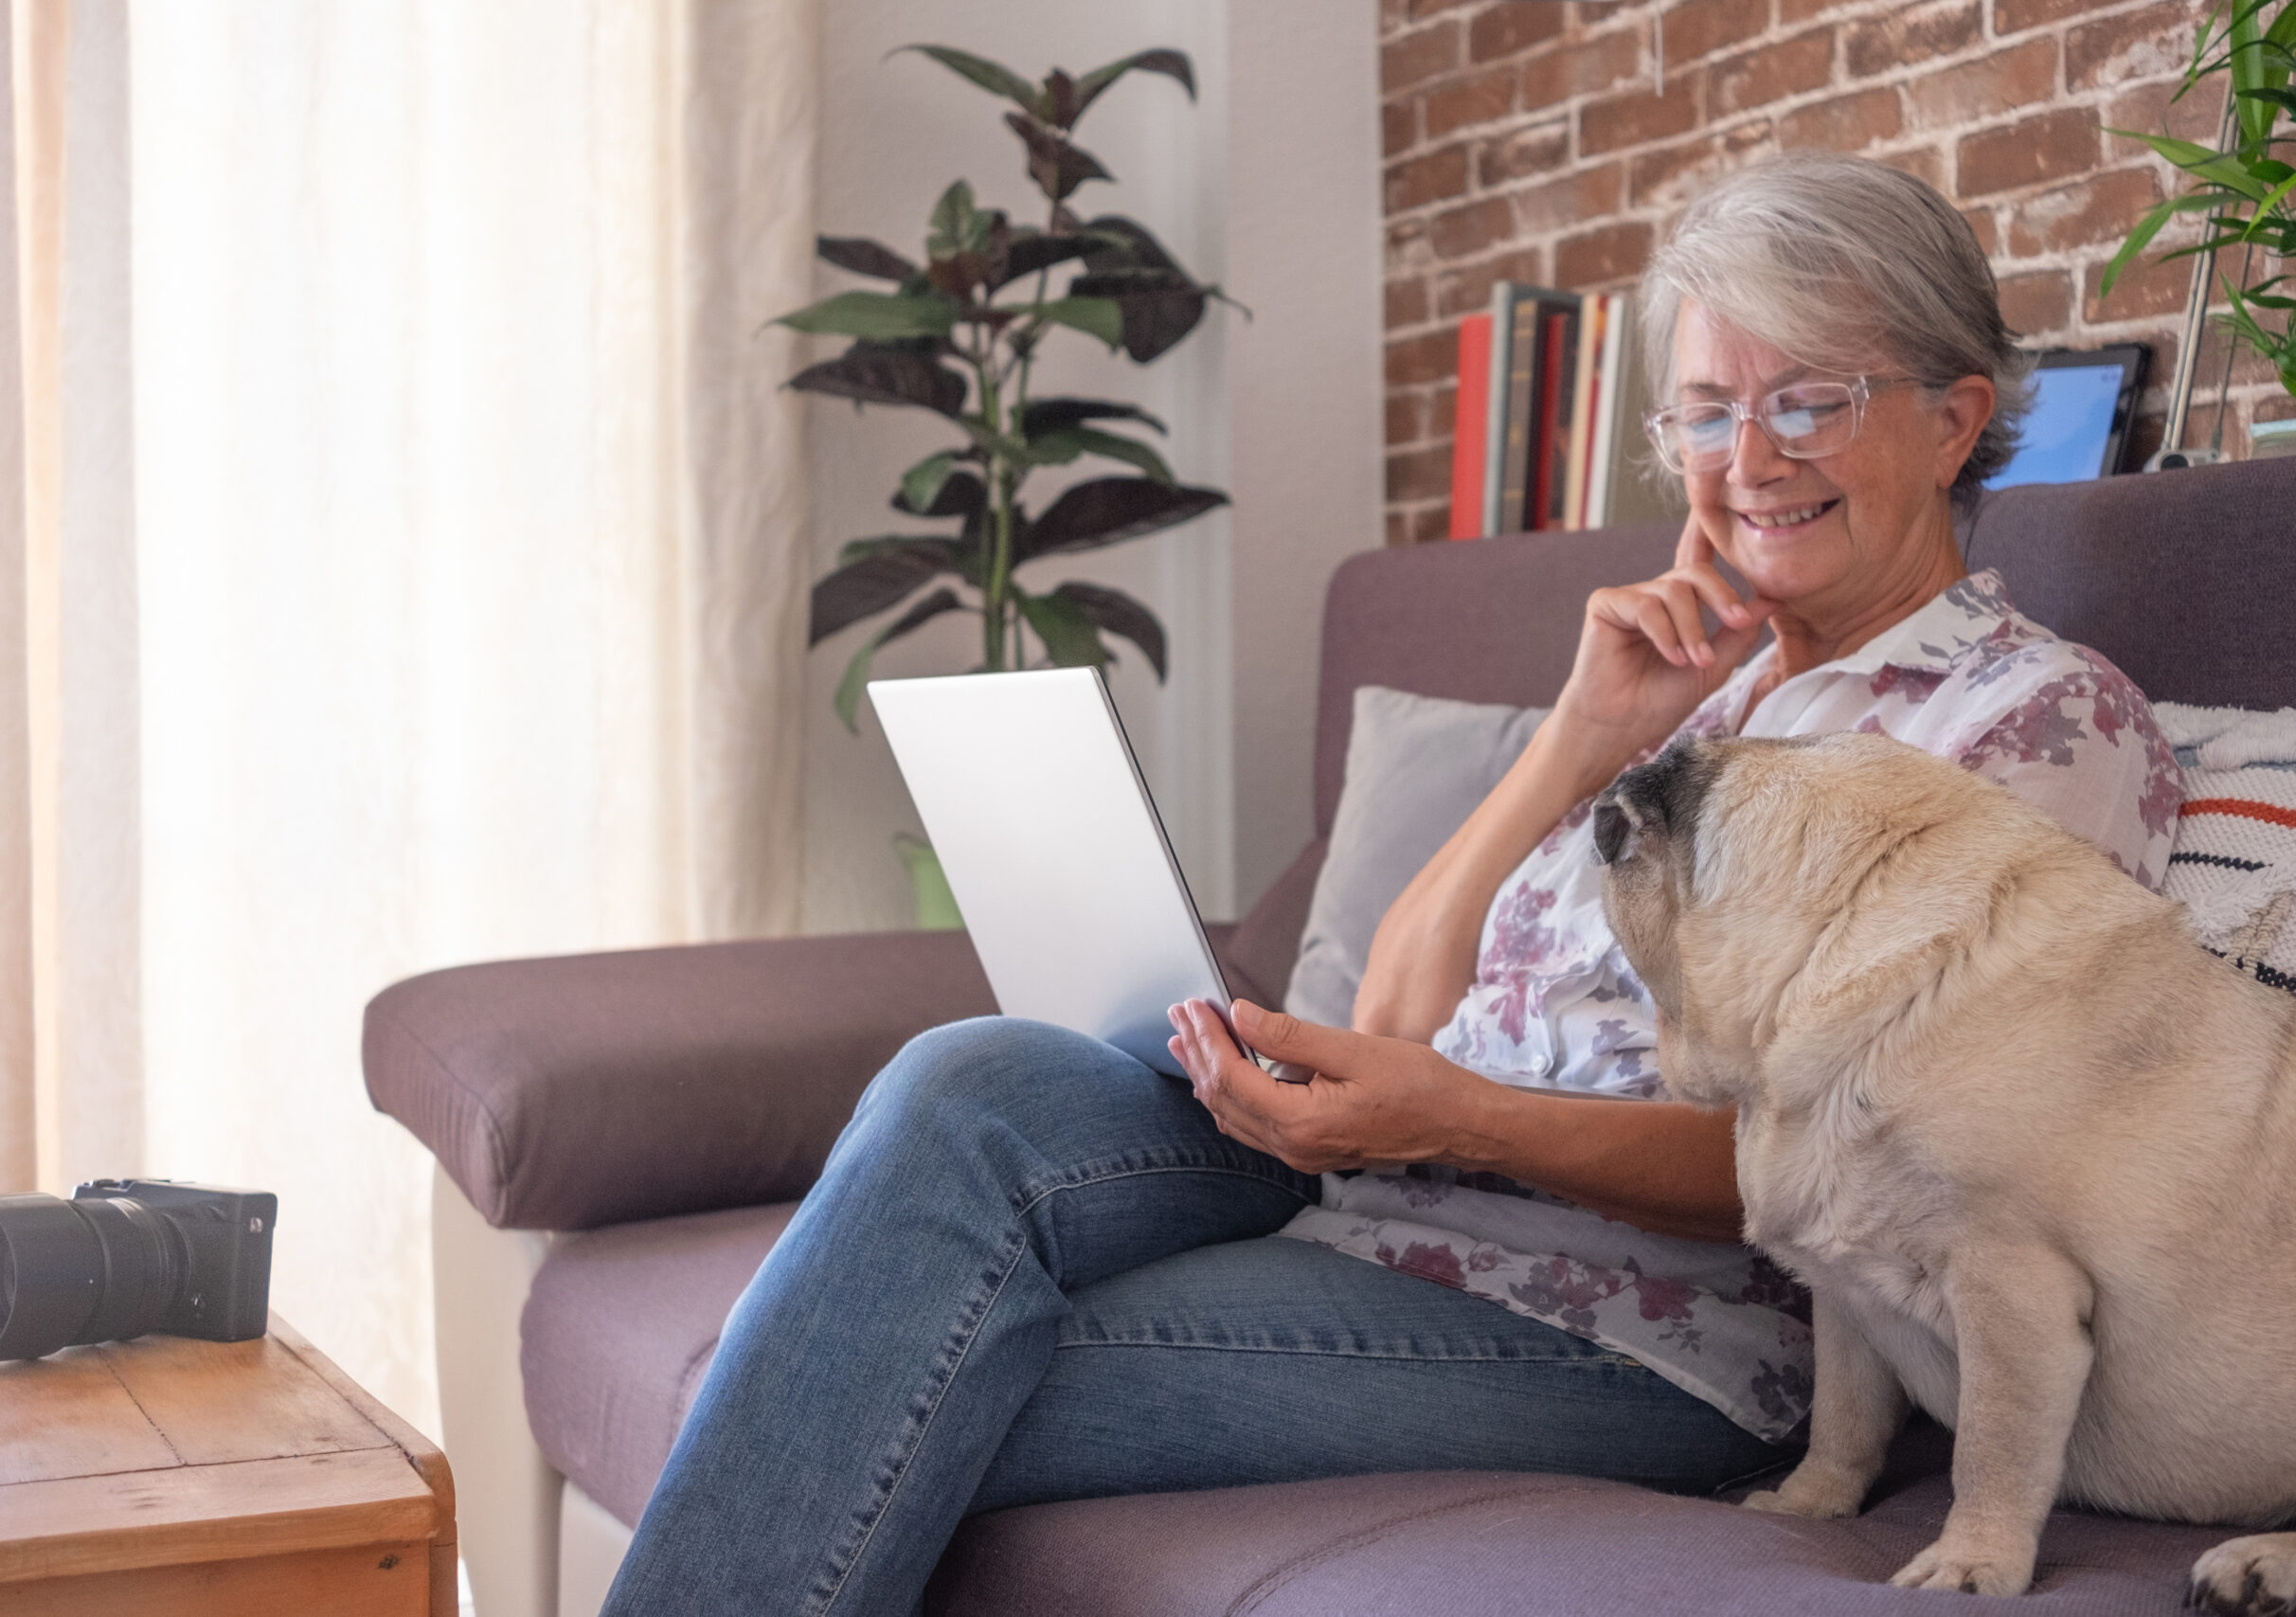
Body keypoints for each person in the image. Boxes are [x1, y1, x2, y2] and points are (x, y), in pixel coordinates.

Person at [601, 150, 2185, 1617]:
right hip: (1389, 1182)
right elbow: (1397, 1008)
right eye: (1705, 412)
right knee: (971, 1078)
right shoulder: (1697, 698)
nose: (1746, 461)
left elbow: (1891, 1168)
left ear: (1955, 416)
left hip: (1655, 1324)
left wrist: (1450, 1115)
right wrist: (1576, 739)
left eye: (1809, 401)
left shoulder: (2031, 722)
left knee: (884, 1355)